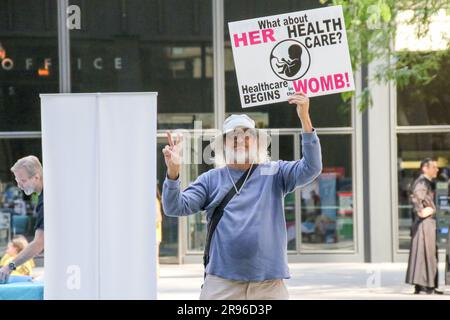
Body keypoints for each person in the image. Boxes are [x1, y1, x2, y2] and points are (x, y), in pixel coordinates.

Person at [162, 92, 322, 300]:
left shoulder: (274, 172)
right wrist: (173, 172)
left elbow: (312, 167)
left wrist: (304, 118)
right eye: (233, 136)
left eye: (247, 134)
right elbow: (174, 207)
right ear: (223, 145)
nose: (240, 140)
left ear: (256, 142)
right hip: (222, 284)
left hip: (269, 286)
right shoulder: (211, 179)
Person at [0, 156, 44, 284]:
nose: (19, 186)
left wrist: (9, 266)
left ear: (36, 177)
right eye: (17, 181)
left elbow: (38, 243)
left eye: (23, 181)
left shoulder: (47, 200)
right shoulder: (45, 196)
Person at [405, 158, 443, 294]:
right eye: (434, 167)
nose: (437, 169)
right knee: (426, 253)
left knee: (427, 253)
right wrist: (423, 210)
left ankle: (426, 286)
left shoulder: (427, 182)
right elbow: (417, 199)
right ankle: (426, 286)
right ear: (425, 168)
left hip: (428, 223)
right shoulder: (422, 182)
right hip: (424, 224)